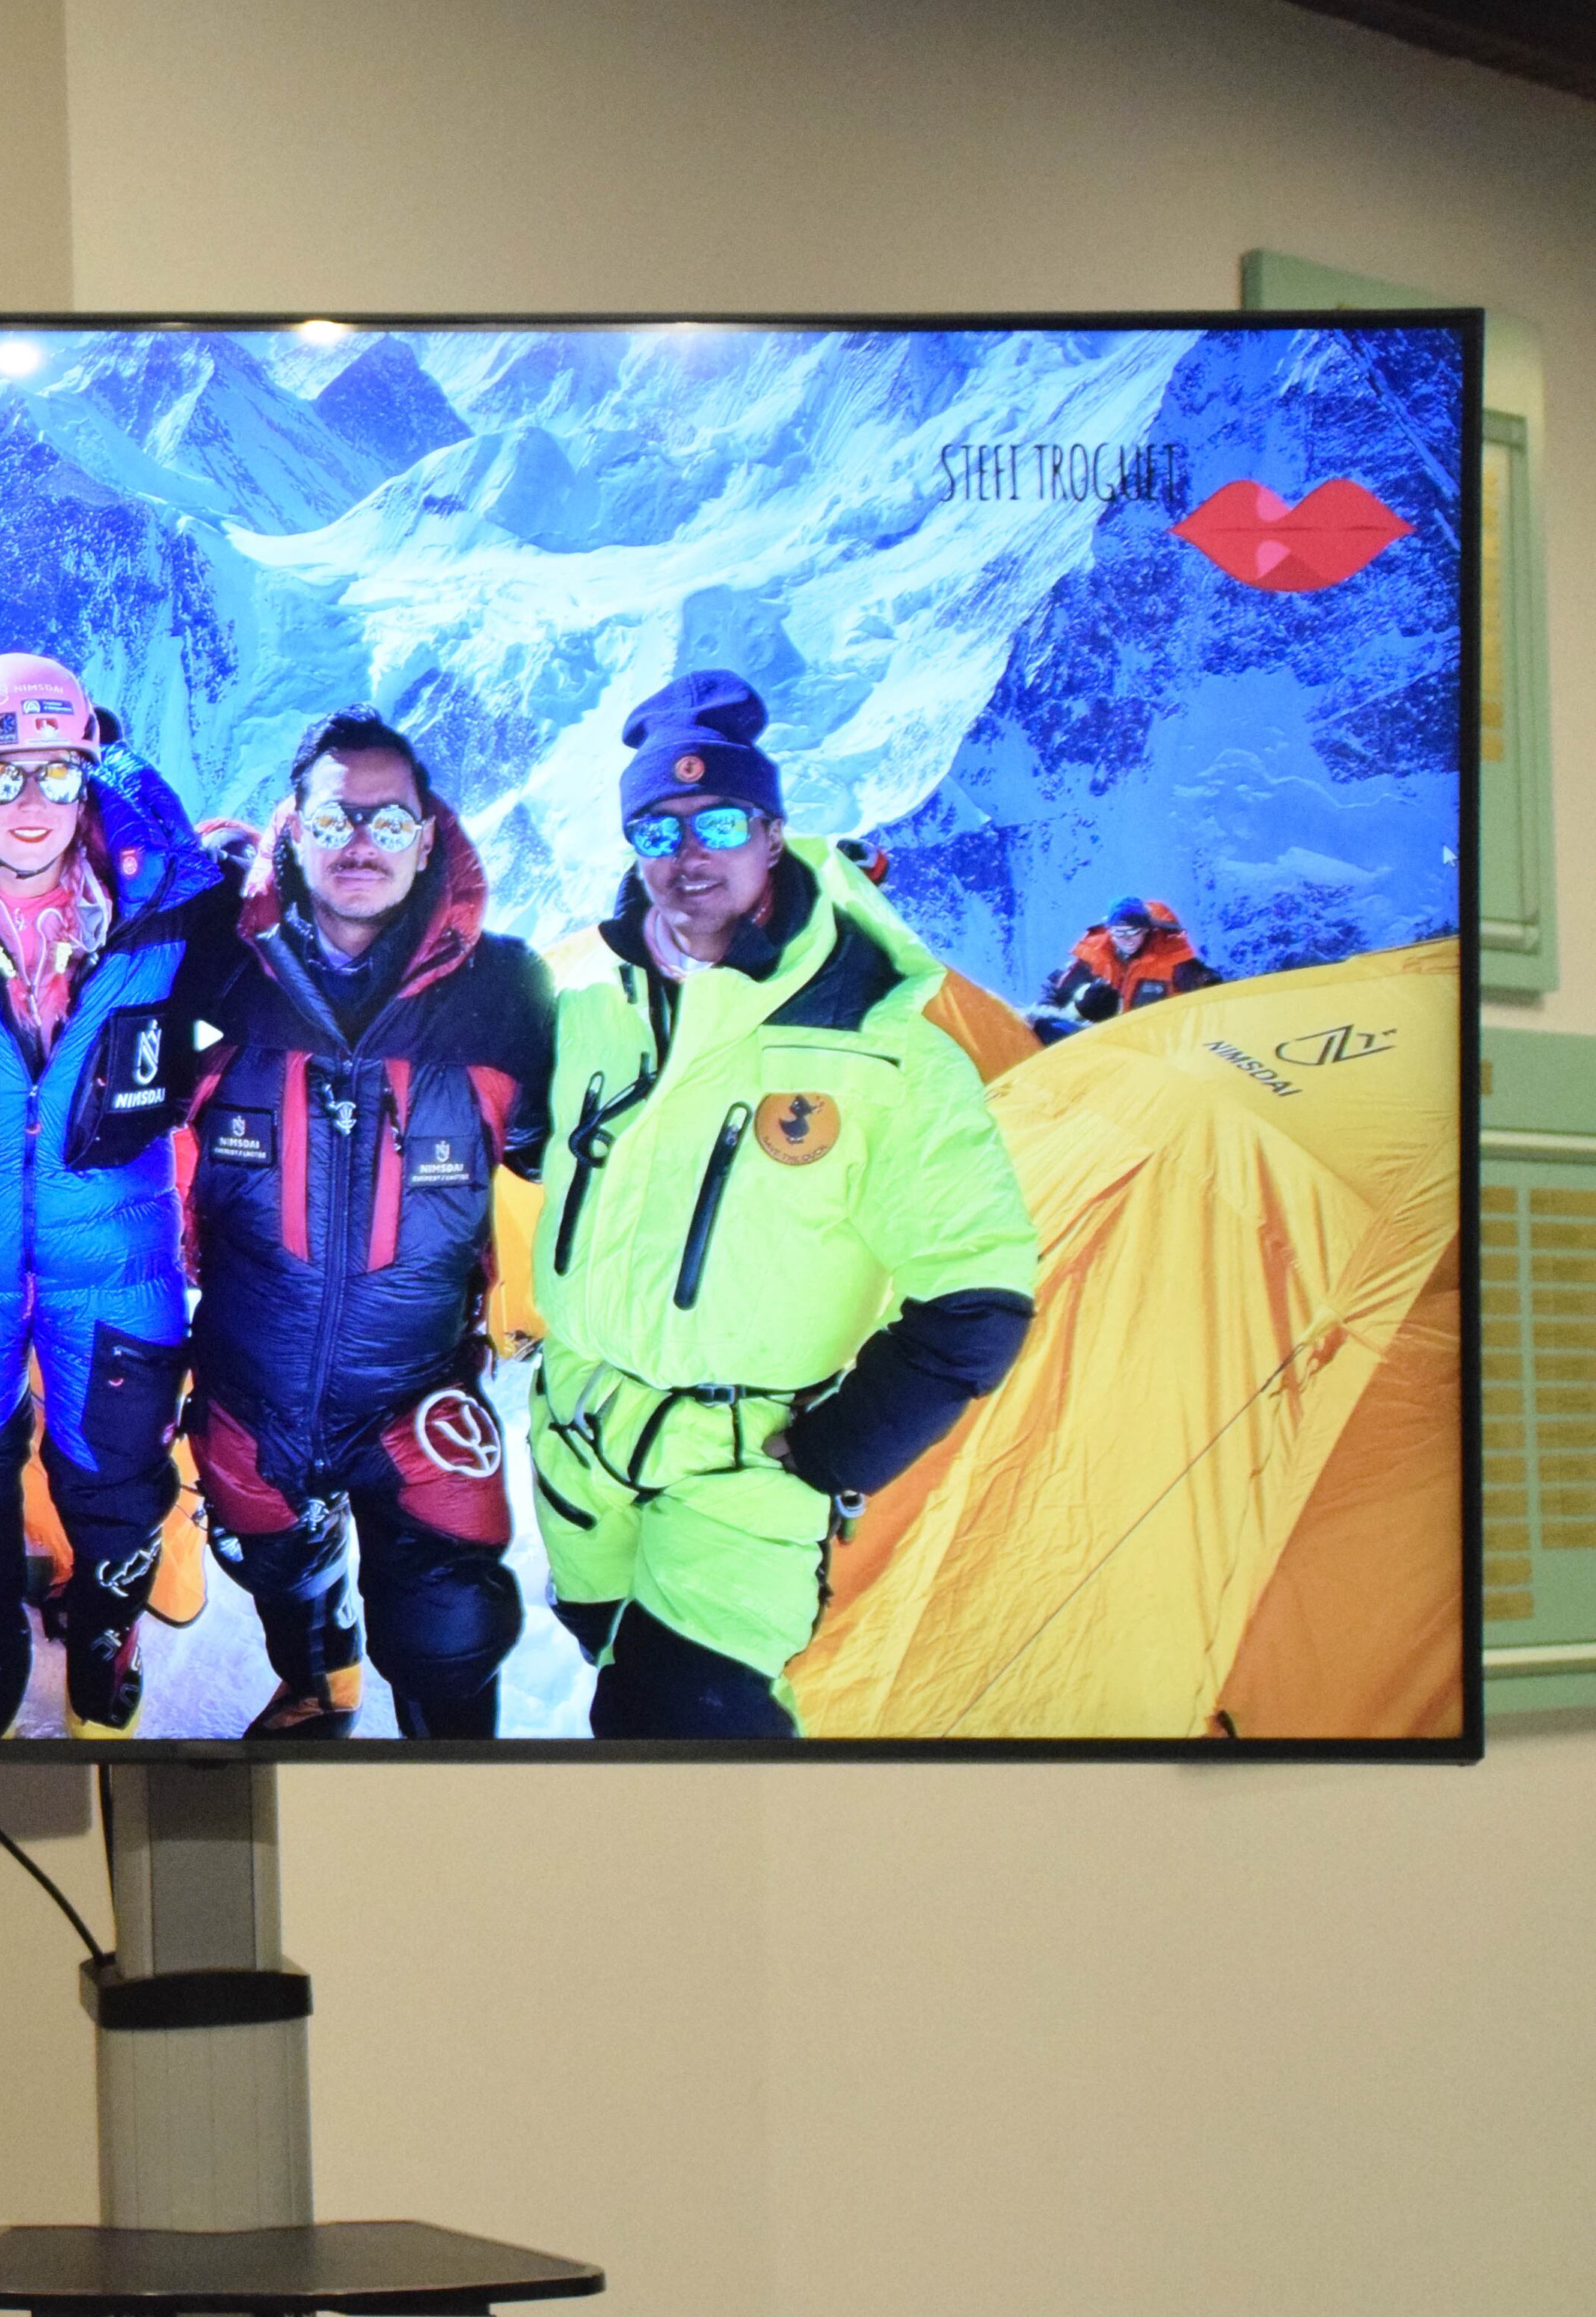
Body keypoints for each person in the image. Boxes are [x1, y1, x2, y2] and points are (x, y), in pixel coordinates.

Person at [532, 671, 1041, 1738]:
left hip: (743, 1474)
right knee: (604, 1651)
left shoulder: (884, 1052)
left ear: (772, 833)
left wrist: (835, 1454)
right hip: (580, 1446)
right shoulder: (588, 1012)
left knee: (668, 1737)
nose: (688, 853)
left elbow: (979, 1297)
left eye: (718, 820)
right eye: (655, 829)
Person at [0, 653, 223, 1738]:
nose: (30, 806)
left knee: (115, 1465)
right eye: (1, 776)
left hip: (118, 1244)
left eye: (58, 776)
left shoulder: (170, 904)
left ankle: (105, 1636)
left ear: (90, 778)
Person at [180, 712, 552, 1739]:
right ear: (291, 827)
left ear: (430, 836)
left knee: (449, 1623)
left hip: (415, 1394)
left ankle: (455, 1821)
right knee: (271, 1563)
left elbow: (574, 1157)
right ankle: (315, 1673)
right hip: (250, 1380)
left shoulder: (505, 997)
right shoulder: (216, 973)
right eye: (337, 817)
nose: (360, 843)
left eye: (389, 823)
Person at [1044, 895, 1218, 1022]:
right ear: (1109, 932)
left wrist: (1208, 981)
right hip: (1106, 1043)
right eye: (1119, 932)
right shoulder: (1095, 957)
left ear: (1146, 930)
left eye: (1133, 932)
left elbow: (1211, 996)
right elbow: (1058, 993)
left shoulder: (1174, 961)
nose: (1126, 939)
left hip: (1159, 1044)